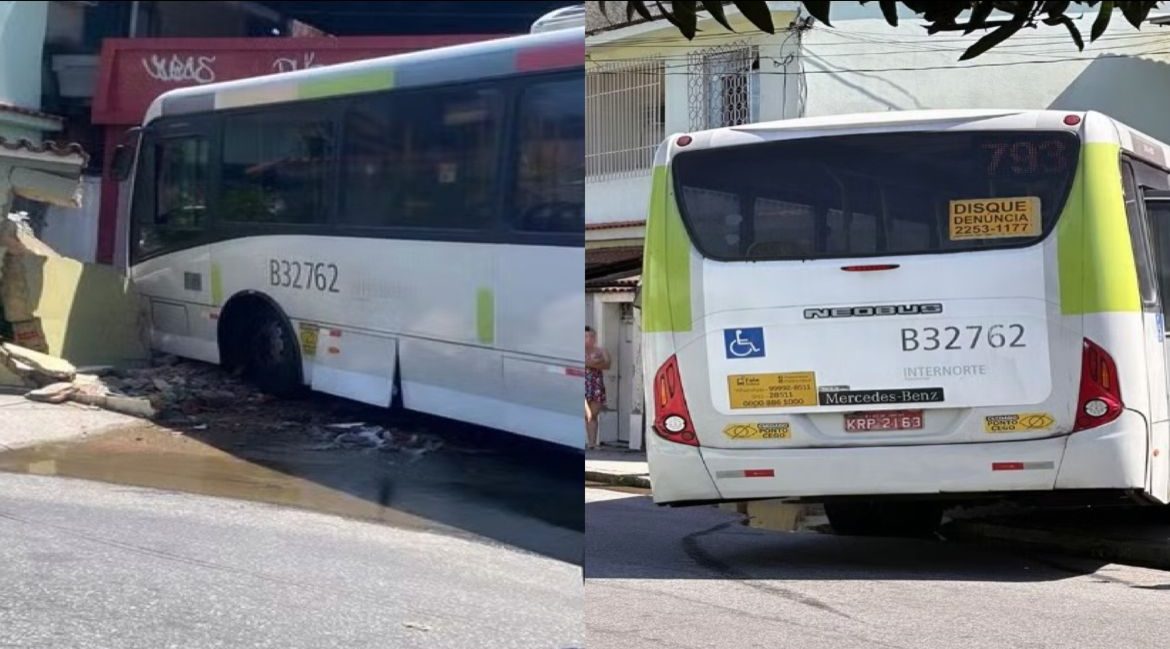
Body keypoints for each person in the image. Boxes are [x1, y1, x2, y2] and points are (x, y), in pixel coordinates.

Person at [585, 325, 610, 451]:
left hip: (595, 384)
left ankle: (592, 443)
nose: (589, 339)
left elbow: (607, 364)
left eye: (591, 336)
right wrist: (594, 363)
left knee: (593, 415)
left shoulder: (601, 350)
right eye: (586, 336)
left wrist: (593, 363)